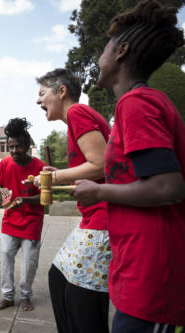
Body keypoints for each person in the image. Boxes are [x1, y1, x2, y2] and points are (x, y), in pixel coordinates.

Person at [72, 1, 185, 331]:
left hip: (153, 279)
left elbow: (169, 186)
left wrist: (98, 191)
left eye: (105, 47)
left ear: (121, 51)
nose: (100, 56)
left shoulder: (137, 103)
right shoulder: (132, 106)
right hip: (138, 268)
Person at [36, 68, 111, 333]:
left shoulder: (78, 113)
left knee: (81, 303)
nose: (38, 101)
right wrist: (59, 175)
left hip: (104, 221)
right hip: (95, 219)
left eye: (42, 93)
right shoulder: (74, 122)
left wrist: (55, 179)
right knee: (58, 278)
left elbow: (101, 164)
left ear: (62, 92)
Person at [0, 118, 46, 312]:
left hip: (32, 221)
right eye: (11, 147)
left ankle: (25, 296)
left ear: (28, 145)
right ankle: (7, 296)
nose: (14, 151)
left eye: (18, 147)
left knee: (29, 263)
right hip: (10, 220)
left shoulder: (40, 166)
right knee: (6, 256)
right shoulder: (5, 164)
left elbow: (45, 199)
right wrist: (4, 196)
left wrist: (24, 200)